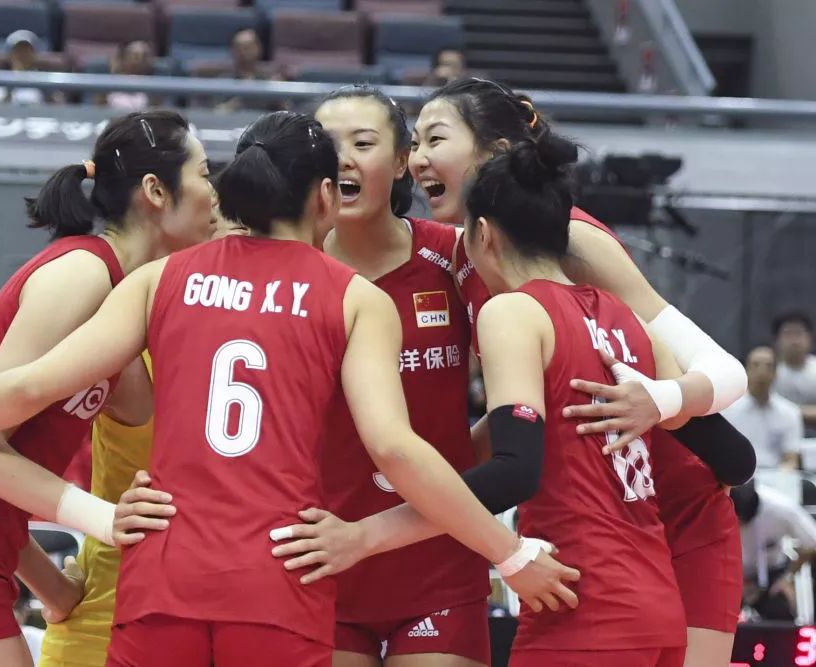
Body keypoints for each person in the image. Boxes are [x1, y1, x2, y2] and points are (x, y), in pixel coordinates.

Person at [0, 111, 580, 667]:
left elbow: (26, 385)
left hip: (163, 574)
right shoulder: (353, 297)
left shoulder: (159, 279)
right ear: (325, 197)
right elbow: (395, 449)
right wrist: (509, 552)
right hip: (275, 576)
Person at [279, 129, 730, 667]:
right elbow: (734, 457)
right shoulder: (627, 319)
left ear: (482, 234)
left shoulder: (511, 311)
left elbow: (514, 471)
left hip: (581, 601)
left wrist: (368, 534)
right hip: (656, 601)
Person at [406, 77, 749, 667]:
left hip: (674, 503)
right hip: (602, 523)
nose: (416, 159)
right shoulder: (461, 253)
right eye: (412, 143)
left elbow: (720, 369)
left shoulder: (574, 239)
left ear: (497, 151)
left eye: (434, 139)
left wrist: (661, 400)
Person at [0, 110, 213, 666]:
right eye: (206, 175)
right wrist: (105, 519)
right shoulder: (83, 272)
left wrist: (54, 588)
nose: (216, 195)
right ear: (155, 191)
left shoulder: (119, 302)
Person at [314, 85, 491, 666]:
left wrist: (459, 465)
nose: (343, 159)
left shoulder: (457, 255)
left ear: (400, 163)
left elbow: (523, 395)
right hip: (322, 554)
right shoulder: (291, 269)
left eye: (362, 144)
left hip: (439, 562)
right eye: (328, 145)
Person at [732, 481, 816, 621]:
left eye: (740, 521)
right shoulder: (713, 507)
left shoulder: (780, 508)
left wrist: (787, 578)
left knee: (781, 608)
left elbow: (811, 543)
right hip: (729, 573)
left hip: (771, 572)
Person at [724, 345, 803, 469]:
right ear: (746, 371)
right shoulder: (727, 410)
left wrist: (783, 474)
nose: (762, 372)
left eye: (768, 366)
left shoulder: (790, 412)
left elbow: (791, 459)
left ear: (776, 373)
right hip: (738, 474)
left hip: (776, 475)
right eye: (756, 365)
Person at [772, 311, 816, 432]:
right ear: (777, 339)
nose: (794, 341)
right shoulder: (769, 370)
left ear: (810, 338)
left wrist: (790, 413)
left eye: (799, 334)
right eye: (788, 334)